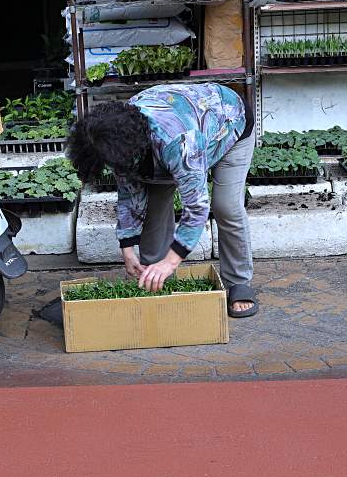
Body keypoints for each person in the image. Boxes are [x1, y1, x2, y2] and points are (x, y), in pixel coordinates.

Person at [67, 83, 258, 318]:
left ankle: (238, 282)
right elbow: (130, 193)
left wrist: (171, 261)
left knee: (225, 206)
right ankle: (155, 278)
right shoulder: (114, 138)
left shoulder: (178, 142)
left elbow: (197, 208)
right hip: (181, 131)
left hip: (229, 124)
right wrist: (127, 247)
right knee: (154, 205)